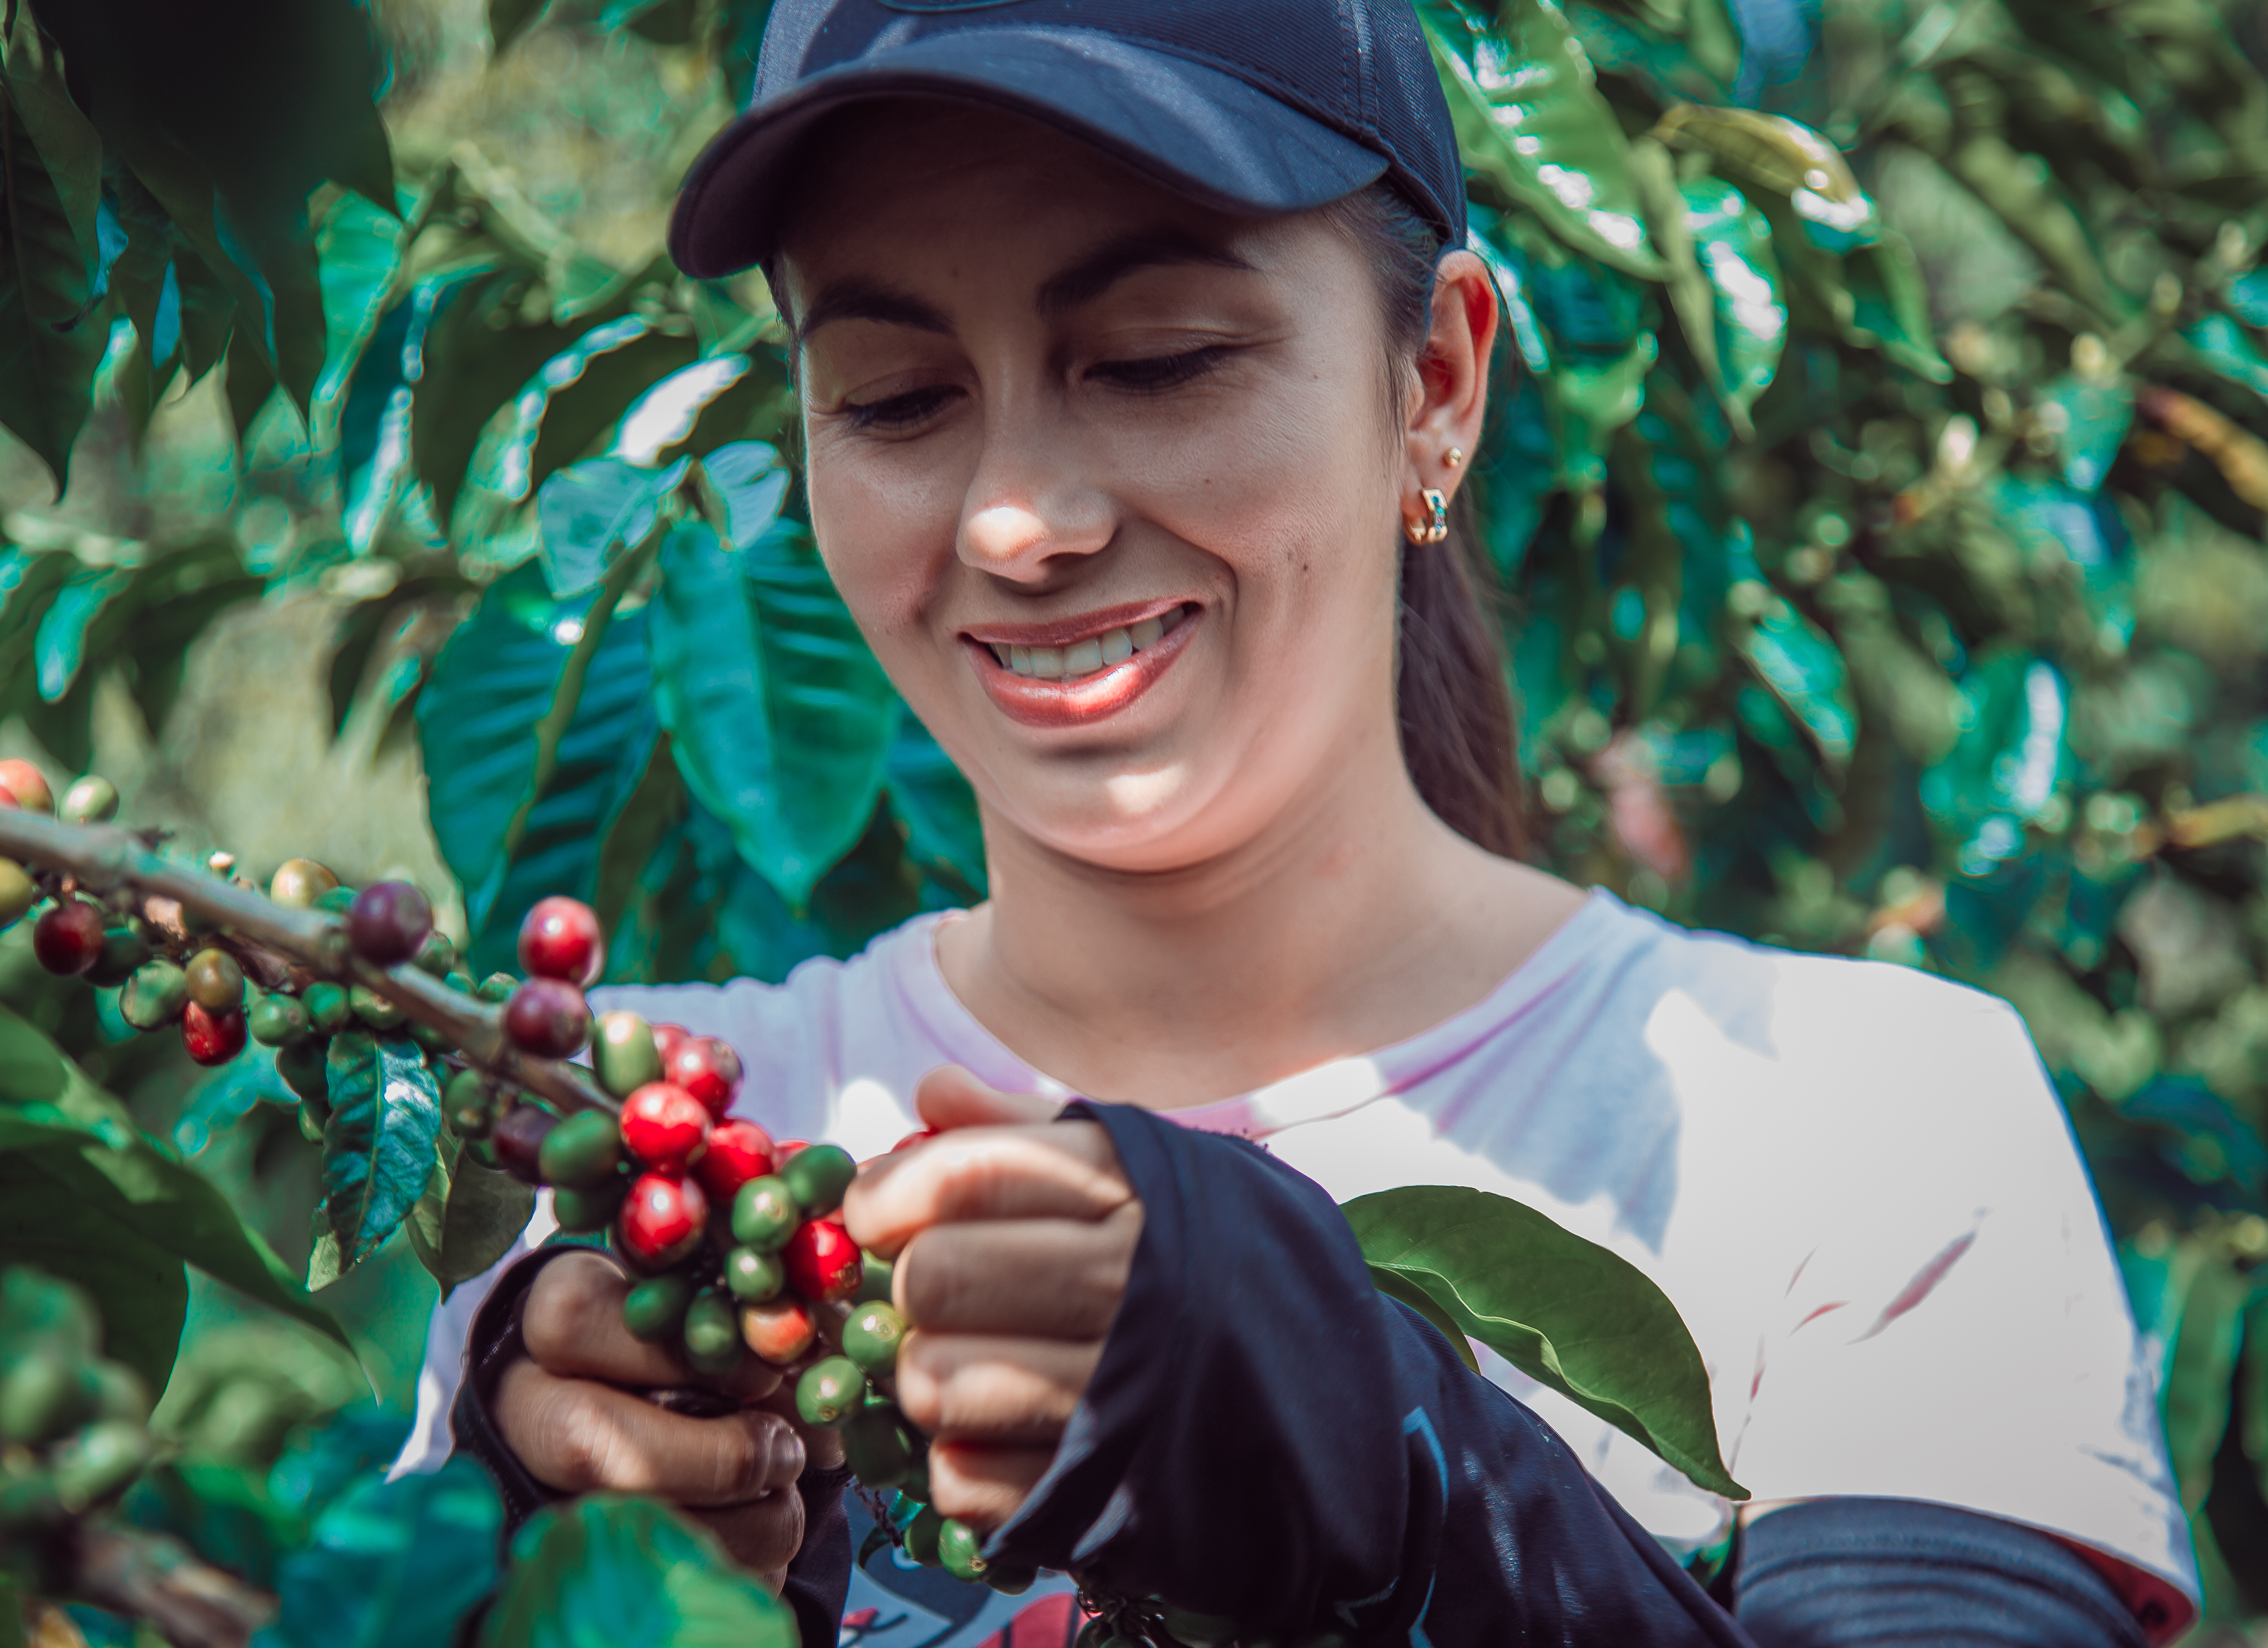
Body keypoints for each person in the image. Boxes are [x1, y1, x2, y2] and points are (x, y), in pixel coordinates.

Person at [397, 1, 2200, 1642]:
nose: (1019, 521)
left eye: (1161, 357)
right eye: (895, 398)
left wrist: (1381, 1463)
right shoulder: (651, 1141)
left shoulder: (1865, 1131)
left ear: (1436, 386)